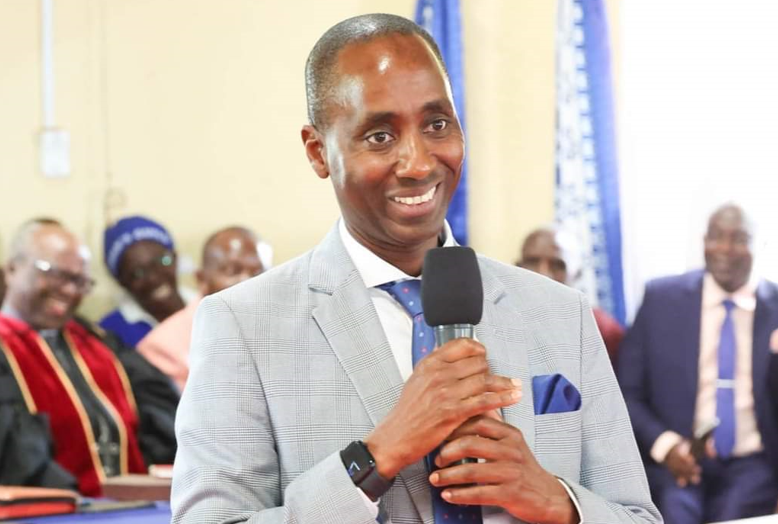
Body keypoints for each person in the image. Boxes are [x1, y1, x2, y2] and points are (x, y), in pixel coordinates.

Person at [172, 13, 660, 524]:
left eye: (437, 125)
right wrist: (377, 455)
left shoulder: (561, 313)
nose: (420, 163)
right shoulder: (243, 324)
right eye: (380, 136)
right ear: (319, 151)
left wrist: (557, 501)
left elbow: (639, 517)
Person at [618, 203, 778, 523]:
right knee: (676, 513)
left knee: (733, 516)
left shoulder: (775, 307)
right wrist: (666, 446)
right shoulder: (660, 298)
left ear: (759, 245)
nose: (725, 249)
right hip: (678, 460)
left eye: (739, 239)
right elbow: (626, 392)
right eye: (716, 237)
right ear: (703, 241)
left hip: (753, 464)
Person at [0, 220, 179, 495]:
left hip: (134, 511)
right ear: (12, 270)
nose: (70, 290)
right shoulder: (5, 347)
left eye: (79, 281)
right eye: (55, 274)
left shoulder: (100, 344)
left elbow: (163, 419)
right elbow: (16, 454)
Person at [138, 226, 265, 391]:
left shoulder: (278, 326)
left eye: (258, 273)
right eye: (233, 271)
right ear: (201, 279)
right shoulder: (161, 347)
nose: (249, 282)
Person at [517, 227, 625, 366]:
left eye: (557, 265)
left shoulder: (602, 330)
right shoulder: (496, 322)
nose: (542, 274)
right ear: (517, 267)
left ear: (577, 273)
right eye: (532, 262)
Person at [100, 215, 196, 348]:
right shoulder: (111, 334)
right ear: (121, 281)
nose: (154, 278)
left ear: (175, 258)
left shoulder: (210, 305)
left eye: (163, 261)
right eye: (137, 273)